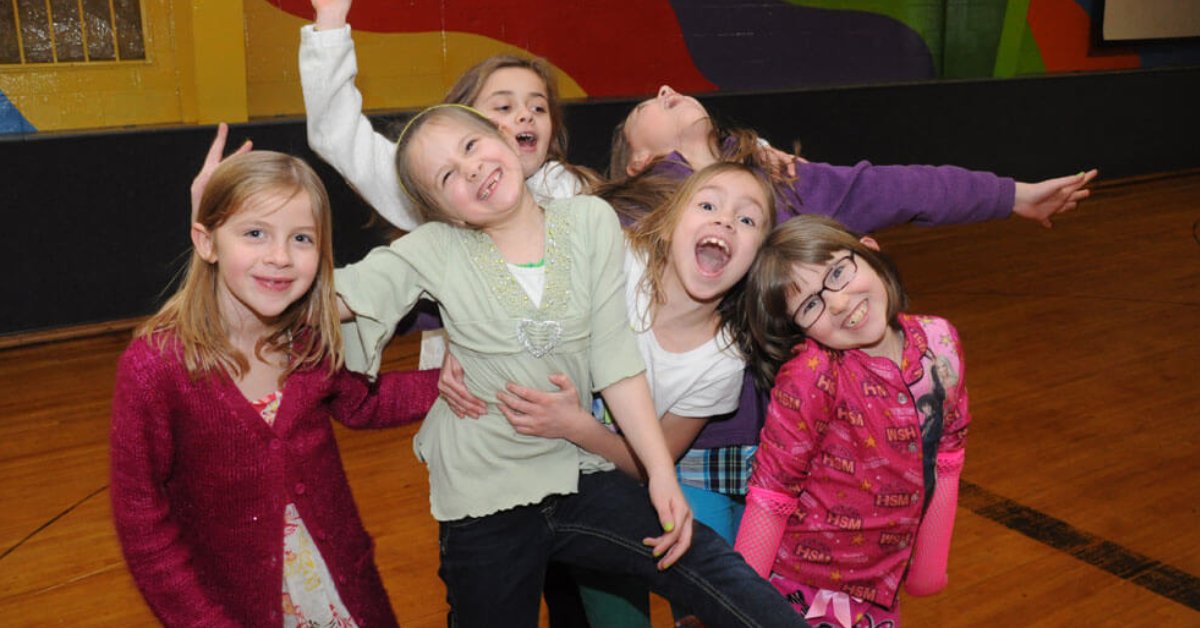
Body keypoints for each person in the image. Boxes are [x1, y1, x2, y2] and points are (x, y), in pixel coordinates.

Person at [333, 103, 811, 628]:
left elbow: (614, 356)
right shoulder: (434, 248)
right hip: (483, 496)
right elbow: (338, 298)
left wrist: (659, 475)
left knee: (707, 562)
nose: (469, 168)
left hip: (578, 474)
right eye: (447, 174)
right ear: (444, 210)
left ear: (503, 137)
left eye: (471, 146)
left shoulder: (589, 221)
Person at [110, 150, 440, 626]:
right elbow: (142, 523)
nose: (280, 257)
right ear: (206, 242)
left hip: (340, 588)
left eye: (301, 238)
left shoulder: (309, 337)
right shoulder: (156, 367)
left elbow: (362, 404)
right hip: (233, 607)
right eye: (255, 233)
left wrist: (449, 383)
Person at [439, 162, 778, 626]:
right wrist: (461, 346)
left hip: (616, 477)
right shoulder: (619, 258)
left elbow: (650, 461)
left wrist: (578, 426)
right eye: (707, 204)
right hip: (518, 471)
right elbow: (507, 267)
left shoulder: (722, 362)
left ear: (758, 257)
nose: (724, 220)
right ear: (671, 222)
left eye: (746, 219)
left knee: (711, 579)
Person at [731, 215, 970, 627]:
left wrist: (930, 561)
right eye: (810, 304)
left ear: (870, 252)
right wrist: (735, 607)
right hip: (803, 591)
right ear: (798, 328)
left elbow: (948, 453)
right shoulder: (811, 373)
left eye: (839, 272)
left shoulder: (939, 341)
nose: (838, 303)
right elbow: (772, 493)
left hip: (880, 589)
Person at [605, 84, 1098, 231]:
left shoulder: (784, 178)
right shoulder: (626, 216)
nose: (666, 88)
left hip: (782, 426)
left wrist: (1013, 196)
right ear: (638, 162)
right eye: (646, 101)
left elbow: (903, 188)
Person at [300, 0, 596, 232]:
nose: (525, 116)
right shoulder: (428, 185)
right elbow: (336, 134)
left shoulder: (572, 190)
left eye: (538, 108)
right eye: (504, 107)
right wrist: (331, 19)